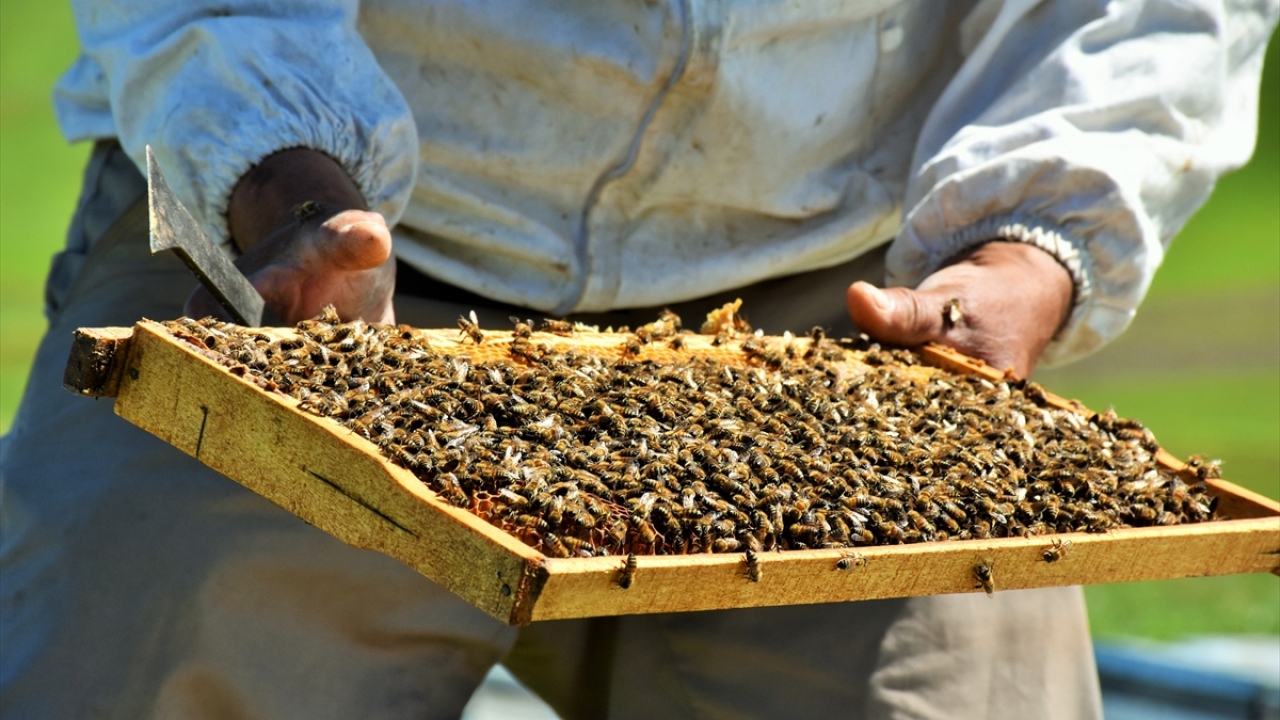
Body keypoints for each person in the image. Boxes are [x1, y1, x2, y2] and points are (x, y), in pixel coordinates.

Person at [2, 1, 1274, 717]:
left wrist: (1030, 242)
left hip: (832, 313)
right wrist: (275, 165)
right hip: (304, 262)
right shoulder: (285, 214)